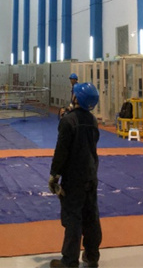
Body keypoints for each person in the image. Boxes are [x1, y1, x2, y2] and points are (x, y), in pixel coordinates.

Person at [48, 82, 102, 268]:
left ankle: (69, 261)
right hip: (91, 175)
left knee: (73, 219)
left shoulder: (68, 121)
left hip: (74, 178)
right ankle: (92, 256)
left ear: (77, 98)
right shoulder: (93, 120)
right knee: (91, 217)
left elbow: (61, 151)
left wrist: (54, 175)